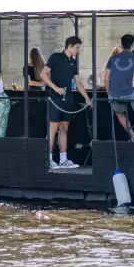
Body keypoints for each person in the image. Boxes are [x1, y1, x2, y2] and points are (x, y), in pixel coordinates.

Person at [41, 36, 92, 169]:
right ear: (69, 46)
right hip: (55, 97)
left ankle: (63, 159)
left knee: (64, 128)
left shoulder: (73, 62)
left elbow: (78, 82)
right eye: (77, 48)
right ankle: (49, 159)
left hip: (68, 98)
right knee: (53, 129)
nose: (78, 50)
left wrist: (87, 98)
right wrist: (55, 88)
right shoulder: (55, 57)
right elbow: (43, 74)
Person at [105, 34, 134, 142]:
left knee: (119, 113)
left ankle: (133, 137)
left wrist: (109, 95)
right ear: (132, 45)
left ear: (121, 44)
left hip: (114, 93)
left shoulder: (112, 58)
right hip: (129, 92)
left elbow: (106, 79)